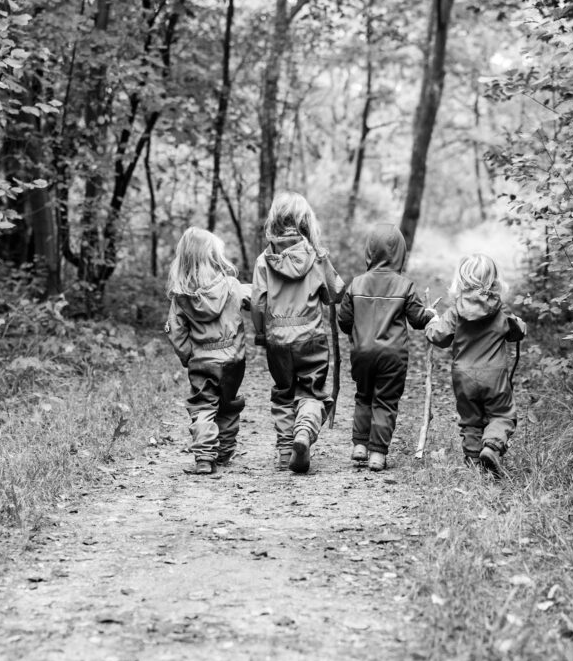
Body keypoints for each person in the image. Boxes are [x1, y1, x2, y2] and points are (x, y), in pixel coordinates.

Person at [252, 192, 345, 474]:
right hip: (311, 338)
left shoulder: (264, 260)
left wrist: (260, 333)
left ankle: (284, 450)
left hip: (277, 339)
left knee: (283, 393)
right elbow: (335, 293)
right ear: (306, 223)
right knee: (312, 391)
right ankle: (303, 431)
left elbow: (258, 302)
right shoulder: (316, 257)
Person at [337, 224, 436, 471]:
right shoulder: (405, 286)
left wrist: (358, 332)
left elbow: (344, 320)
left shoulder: (356, 284)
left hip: (362, 353)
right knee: (386, 401)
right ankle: (377, 454)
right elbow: (416, 319)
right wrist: (430, 314)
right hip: (393, 356)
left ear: (370, 252)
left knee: (363, 396)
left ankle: (359, 445)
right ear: (400, 254)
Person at [425, 254, 526, 476]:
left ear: (460, 280)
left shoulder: (455, 311)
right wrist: (520, 323)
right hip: (494, 375)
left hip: (464, 377)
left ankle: (473, 461)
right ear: (494, 281)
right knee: (502, 415)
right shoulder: (500, 310)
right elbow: (516, 332)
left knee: (470, 420)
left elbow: (438, 337)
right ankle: (491, 447)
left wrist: (432, 321)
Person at [165, 227, 250, 475]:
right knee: (229, 404)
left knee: (203, 406)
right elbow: (259, 296)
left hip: (203, 359)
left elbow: (176, 332)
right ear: (214, 257)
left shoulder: (181, 297)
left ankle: (204, 456)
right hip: (233, 359)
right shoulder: (232, 286)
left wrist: (188, 357)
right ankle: (224, 451)